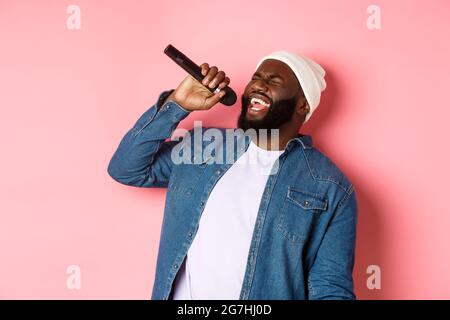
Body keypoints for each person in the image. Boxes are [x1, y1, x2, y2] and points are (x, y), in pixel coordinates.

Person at [107, 51, 358, 300]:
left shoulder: (330, 187)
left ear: (302, 105)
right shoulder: (202, 146)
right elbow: (127, 169)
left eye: (274, 81)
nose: (259, 84)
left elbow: (330, 286)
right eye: (256, 77)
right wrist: (178, 104)